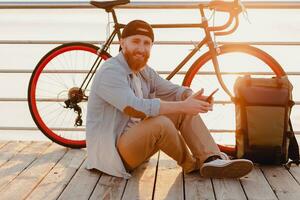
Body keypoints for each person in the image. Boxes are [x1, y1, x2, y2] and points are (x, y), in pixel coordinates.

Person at [86, 19, 253, 179]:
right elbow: (134, 107)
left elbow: (171, 90)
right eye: (136, 41)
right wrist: (183, 105)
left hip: (135, 145)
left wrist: (191, 97)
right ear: (122, 43)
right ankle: (192, 164)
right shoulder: (111, 71)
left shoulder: (144, 71)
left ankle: (212, 159)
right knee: (162, 123)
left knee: (184, 111)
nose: (141, 48)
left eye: (147, 43)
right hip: (113, 156)